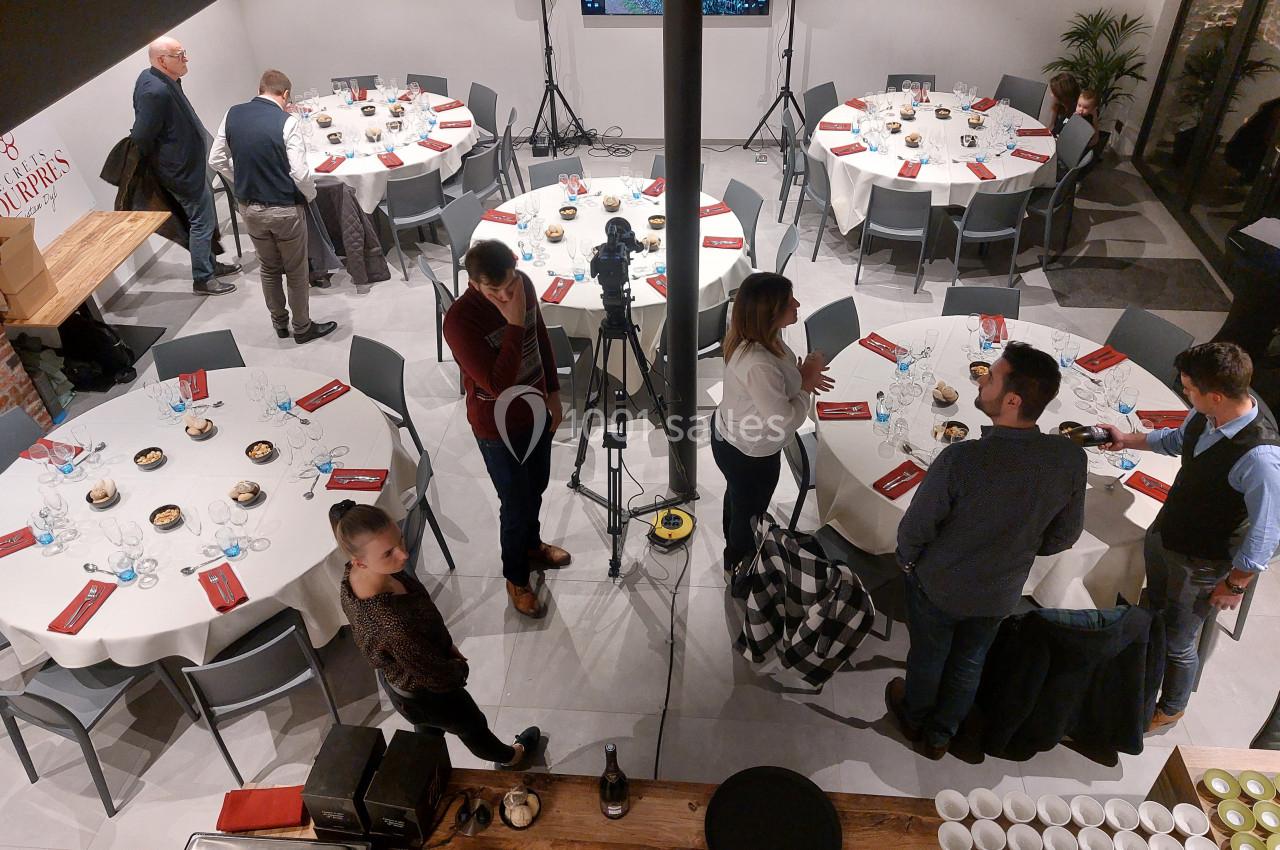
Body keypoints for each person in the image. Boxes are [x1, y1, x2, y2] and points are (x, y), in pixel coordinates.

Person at [886, 342, 1087, 759]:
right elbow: (1065, 535)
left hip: (939, 584)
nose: (981, 379)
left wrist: (907, 562)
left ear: (1012, 400)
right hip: (1000, 591)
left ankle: (917, 716)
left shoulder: (962, 459)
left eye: (990, 377)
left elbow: (917, 528)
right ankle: (943, 733)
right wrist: (1019, 547)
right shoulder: (1069, 457)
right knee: (969, 661)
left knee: (928, 655)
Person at [1099, 342, 1280, 731]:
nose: (1185, 394)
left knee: (1181, 639)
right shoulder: (1206, 415)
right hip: (1169, 531)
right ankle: (1139, 672)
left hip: (1202, 560)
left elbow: (1267, 531)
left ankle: (1172, 705)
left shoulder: (1261, 458)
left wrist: (1235, 583)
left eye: (1188, 389)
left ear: (1214, 395)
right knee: (1157, 609)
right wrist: (1127, 439)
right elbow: (1177, 441)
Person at [331, 501, 542, 767]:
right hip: (427, 690)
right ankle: (512, 757)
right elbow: (437, 677)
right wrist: (458, 669)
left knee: (428, 727)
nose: (403, 555)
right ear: (359, 561)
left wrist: (445, 645)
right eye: (388, 553)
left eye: (401, 540)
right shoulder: (393, 624)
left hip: (404, 684)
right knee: (472, 726)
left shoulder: (356, 577)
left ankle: (430, 758)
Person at [442, 240, 570, 618]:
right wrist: (513, 321)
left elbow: (539, 336)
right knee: (514, 504)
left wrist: (553, 392)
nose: (505, 294)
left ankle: (532, 546)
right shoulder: (459, 322)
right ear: (473, 284)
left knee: (537, 486)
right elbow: (498, 384)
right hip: (496, 426)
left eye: (509, 286)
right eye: (493, 290)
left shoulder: (525, 285)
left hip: (536, 412)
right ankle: (516, 576)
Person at [711, 272, 831, 575]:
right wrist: (806, 384)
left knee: (738, 497)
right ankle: (739, 564)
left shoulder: (760, 338)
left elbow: (774, 391)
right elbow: (784, 419)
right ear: (771, 314)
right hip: (750, 452)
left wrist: (800, 378)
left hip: (733, 436)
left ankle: (736, 543)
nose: (798, 303)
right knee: (749, 512)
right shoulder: (758, 362)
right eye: (789, 302)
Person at [208, 70, 336, 344]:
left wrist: (240, 179)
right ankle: (302, 327)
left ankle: (279, 323)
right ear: (285, 94)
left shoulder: (232, 114)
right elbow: (300, 174)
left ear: (260, 89)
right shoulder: (286, 122)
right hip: (283, 209)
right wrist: (310, 195)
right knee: (296, 271)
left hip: (249, 208)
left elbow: (216, 159)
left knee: (268, 268)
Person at [130, 36, 240, 296]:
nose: (185, 58)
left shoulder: (163, 80)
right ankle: (203, 278)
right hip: (181, 171)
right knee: (201, 221)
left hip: (189, 164)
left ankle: (210, 266)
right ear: (161, 60)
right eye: (179, 54)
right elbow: (141, 137)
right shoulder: (153, 91)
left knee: (205, 216)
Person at [1048, 72, 1082, 137]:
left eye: (1054, 93)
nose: (1051, 95)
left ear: (1062, 95)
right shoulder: (1059, 106)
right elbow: (1051, 127)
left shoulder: (1075, 112)